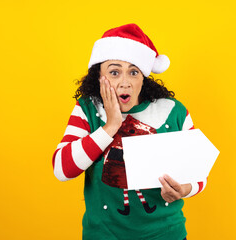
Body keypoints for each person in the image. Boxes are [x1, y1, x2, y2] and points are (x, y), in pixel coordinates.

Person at [52, 23, 206, 240]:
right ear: (99, 77)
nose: (125, 83)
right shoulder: (87, 109)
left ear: (143, 77)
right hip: (104, 235)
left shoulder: (173, 111)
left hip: (166, 234)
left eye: (133, 72)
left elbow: (199, 172)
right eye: (114, 72)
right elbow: (62, 169)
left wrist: (185, 188)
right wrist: (110, 126)